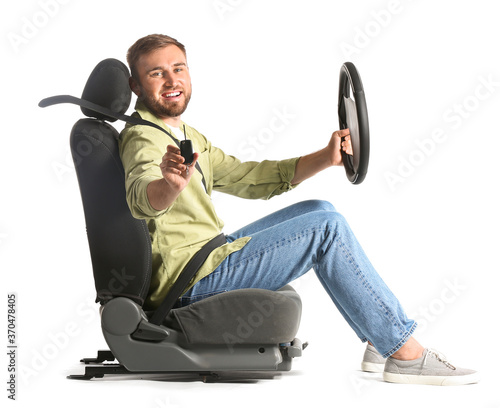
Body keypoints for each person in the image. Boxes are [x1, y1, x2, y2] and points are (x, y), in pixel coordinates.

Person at [118, 34, 478, 386]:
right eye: (156, 73)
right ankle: (405, 353)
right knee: (326, 228)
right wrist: (168, 186)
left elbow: (248, 177)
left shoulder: (184, 134)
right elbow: (140, 196)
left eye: (178, 68)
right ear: (136, 85)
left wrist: (326, 157)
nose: (171, 80)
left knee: (320, 209)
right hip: (193, 280)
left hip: (210, 254)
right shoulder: (143, 139)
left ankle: (376, 339)